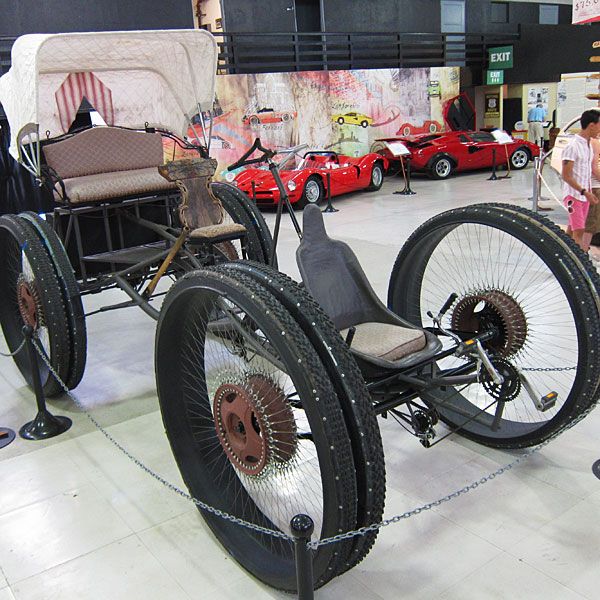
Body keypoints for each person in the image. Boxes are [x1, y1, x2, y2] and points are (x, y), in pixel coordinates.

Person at [561, 109, 600, 251]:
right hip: (574, 195)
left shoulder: (589, 145)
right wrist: (584, 192)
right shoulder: (572, 146)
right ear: (592, 125)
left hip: (584, 195)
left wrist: (588, 193)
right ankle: (580, 266)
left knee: (572, 229)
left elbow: (587, 171)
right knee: (579, 231)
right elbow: (566, 175)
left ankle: (563, 256)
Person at [585, 133, 600, 262]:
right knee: (591, 224)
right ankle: (582, 255)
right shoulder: (594, 142)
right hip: (595, 186)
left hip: (592, 186)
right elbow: (594, 167)